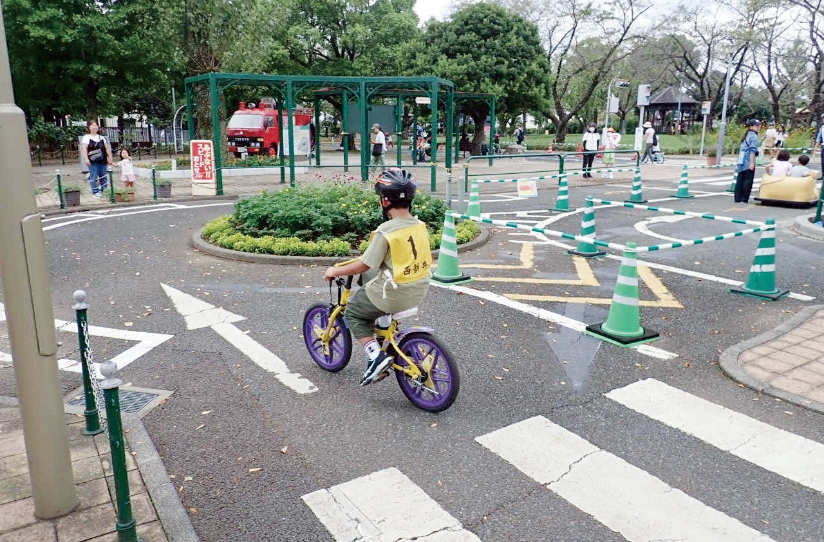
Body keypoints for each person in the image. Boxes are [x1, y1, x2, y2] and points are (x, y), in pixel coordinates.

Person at [323, 169, 431, 385]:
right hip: (419, 288)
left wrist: (334, 271)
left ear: (385, 201)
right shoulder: (420, 226)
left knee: (354, 313)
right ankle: (382, 324)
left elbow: (363, 264)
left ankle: (375, 356)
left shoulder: (386, 231)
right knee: (371, 277)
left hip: (394, 294)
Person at [81, 120, 112, 198]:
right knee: (93, 176)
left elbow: (107, 148)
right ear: (89, 127)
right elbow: (84, 149)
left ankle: (104, 191)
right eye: (93, 125)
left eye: (96, 125)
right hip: (92, 161)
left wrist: (109, 157)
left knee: (103, 176)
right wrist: (86, 159)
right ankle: (95, 192)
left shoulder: (102, 137)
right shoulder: (86, 137)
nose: (95, 127)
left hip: (103, 160)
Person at [734, 119, 762, 203]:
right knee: (748, 180)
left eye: (759, 125)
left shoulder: (746, 135)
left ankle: (737, 198)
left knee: (740, 179)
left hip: (741, 160)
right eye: (756, 126)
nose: (758, 127)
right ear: (751, 127)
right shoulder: (754, 137)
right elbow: (752, 151)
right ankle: (744, 198)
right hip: (748, 160)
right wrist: (752, 163)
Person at [815, 113, 824, 180]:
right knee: (823, 162)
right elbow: (819, 138)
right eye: (823, 118)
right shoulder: (822, 128)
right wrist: (816, 147)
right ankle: (823, 175)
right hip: (823, 147)